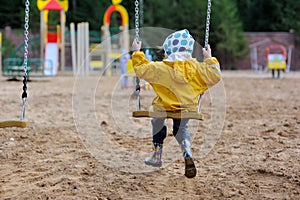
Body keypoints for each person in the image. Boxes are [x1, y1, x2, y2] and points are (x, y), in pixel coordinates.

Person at [132, 29, 221, 178]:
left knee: (157, 122)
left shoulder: (160, 68)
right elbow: (215, 75)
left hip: (163, 107)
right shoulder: (197, 68)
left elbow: (141, 69)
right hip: (186, 108)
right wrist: (209, 58)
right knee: (181, 129)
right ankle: (187, 152)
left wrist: (137, 53)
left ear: (169, 51)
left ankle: (156, 156)